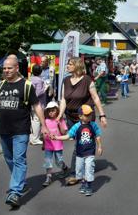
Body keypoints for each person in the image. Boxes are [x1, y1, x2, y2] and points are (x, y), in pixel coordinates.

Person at [0, 58, 48, 207]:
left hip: (21, 130)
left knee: (19, 160)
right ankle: (20, 182)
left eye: (9, 68)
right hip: (4, 130)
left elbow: (36, 106)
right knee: (9, 158)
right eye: (4, 68)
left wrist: (43, 125)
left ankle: (15, 192)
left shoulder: (27, 85)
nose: (6, 71)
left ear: (17, 68)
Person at [59, 57, 107, 185]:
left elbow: (95, 98)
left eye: (70, 64)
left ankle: (75, 173)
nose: (67, 66)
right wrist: (59, 115)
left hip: (85, 117)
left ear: (77, 66)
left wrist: (102, 115)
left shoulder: (87, 80)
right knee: (79, 143)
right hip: (70, 116)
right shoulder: (65, 80)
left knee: (79, 144)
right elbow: (64, 100)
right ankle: (84, 164)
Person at [53, 104, 102, 197]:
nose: (90, 116)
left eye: (90, 114)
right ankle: (83, 184)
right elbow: (68, 136)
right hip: (79, 153)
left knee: (89, 168)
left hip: (90, 152)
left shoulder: (93, 125)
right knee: (80, 170)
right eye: (87, 115)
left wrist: (99, 146)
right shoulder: (76, 126)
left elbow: (98, 136)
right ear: (80, 116)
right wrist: (56, 137)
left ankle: (89, 186)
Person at [42, 101, 68, 187]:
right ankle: (48, 177)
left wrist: (59, 123)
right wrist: (43, 144)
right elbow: (44, 134)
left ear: (57, 110)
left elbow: (64, 132)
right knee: (48, 161)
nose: (51, 113)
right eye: (49, 111)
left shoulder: (61, 120)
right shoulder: (45, 121)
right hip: (48, 145)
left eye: (53, 110)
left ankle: (64, 167)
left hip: (57, 145)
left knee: (58, 161)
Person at [29, 65, 45, 145]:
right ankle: (35, 138)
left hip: (31, 102)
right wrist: (45, 88)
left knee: (33, 119)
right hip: (38, 103)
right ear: (40, 71)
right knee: (37, 120)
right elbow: (38, 93)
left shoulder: (30, 79)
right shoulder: (39, 80)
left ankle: (32, 137)